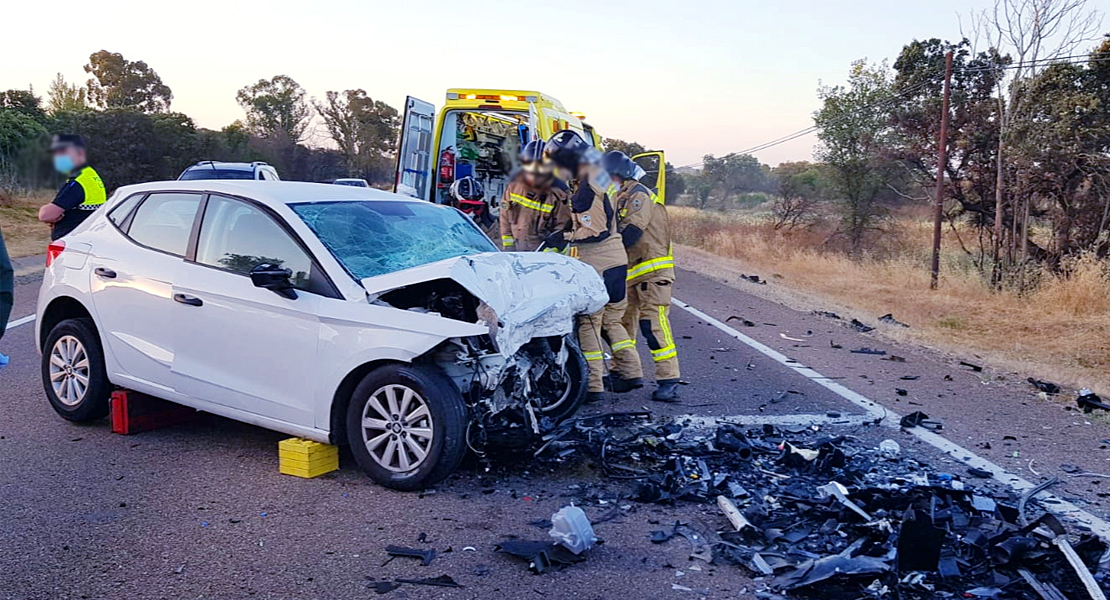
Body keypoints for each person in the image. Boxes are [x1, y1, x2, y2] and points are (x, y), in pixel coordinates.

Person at [542, 131, 643, 402]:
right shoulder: (597, 177)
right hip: (616, 259)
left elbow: (594, 231)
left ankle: (594, 386)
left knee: (589, 323)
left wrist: (562, 237)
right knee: (612, 319)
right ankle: (632, 372)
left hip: (597, 262)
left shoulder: (586, 188)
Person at [605, 151, 681, 402]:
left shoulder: (639, 195)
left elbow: (633, 231)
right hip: (630, 272)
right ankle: (624, 374)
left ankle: (668, 379)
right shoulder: (620, 196)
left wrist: (609, 251)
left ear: (621, 173)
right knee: (622, 324)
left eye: (612, 175)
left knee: (653, 325)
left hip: (652, 272)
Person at [499, 140, 571, 251]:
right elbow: (505, 216)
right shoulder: (514, 186)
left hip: (541, 251)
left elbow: (562, 226)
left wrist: (550, 250)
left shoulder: (559, 194)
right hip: (516, 249)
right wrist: (508, 244)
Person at [38, 134, 106, 240]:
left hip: (71, 241)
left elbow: (46, 215)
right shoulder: (90, 174)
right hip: (85, 237)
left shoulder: (78, 181)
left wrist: (46, 210)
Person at [449, 176, 499, 242]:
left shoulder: (490, 225)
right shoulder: (441, 223)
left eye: (477, 207)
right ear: (453, 204)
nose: (471, 212)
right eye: (466, 206)